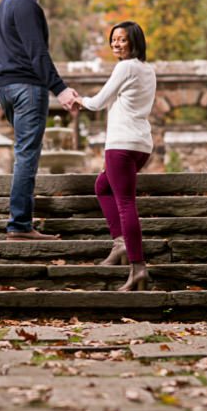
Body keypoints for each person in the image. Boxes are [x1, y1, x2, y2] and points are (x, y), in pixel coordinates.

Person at [0, 0, 78, 240]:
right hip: (26, 87)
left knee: (23, 153)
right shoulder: (25, 4)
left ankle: (20, 222)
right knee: (26, 155)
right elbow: (37, 53)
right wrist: (61, 89)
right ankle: (19, 225)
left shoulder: (7, 1)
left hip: (6, 87)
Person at [73, 21, 156, 292]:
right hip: (141, 144)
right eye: (113, 40)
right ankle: (120, 243)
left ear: (134, 41)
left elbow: (98, 102)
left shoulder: (125, 67)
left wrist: (77, 99)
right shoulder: (148, 70)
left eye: (121, 39)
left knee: (126, 204)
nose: (115, 44)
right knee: (102, 186)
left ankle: (138, 267)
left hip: (121, 145)